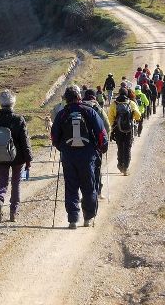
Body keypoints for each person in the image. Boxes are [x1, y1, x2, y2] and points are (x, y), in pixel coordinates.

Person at [51, 86, 107, 229]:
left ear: (66, 99)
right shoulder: (89, 111)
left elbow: (54, 136)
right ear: (79, 97)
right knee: (89, 187)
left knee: (71, 187)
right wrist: (102, 148)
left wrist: (62, 148)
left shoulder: (62, 114)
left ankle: (73, 219)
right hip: (88, 156)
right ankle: (88, 218)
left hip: (68, 156)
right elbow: (101, 133)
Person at [0, 89, 32, 223]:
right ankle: (13, 212)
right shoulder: (18, 119)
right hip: (18, 159)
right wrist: (28, 159)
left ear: (0, 103)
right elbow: (25, 141)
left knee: (2, 183)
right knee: (16, 184)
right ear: (13, 103)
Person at [83, 88, 111, 200]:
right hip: (95, 145)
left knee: (84, 170)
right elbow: (107, 126)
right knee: (97, 169)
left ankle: (86, 194)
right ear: (94, 97)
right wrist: (104, 143)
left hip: (79, 145)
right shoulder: (97, 108)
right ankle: (98, 192)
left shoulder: (80, 107)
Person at [109, 88, 141, 175]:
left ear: (119, 94)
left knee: (120, 147)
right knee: (127, 148)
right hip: (129, 129)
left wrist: (112, 127)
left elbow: (110, 118)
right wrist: (132, 118)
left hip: (117, 129)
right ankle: (126, 168)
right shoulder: (131, 103)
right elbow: (138, 115)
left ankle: (120, 164)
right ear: (127, 94)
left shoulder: (114, 104)